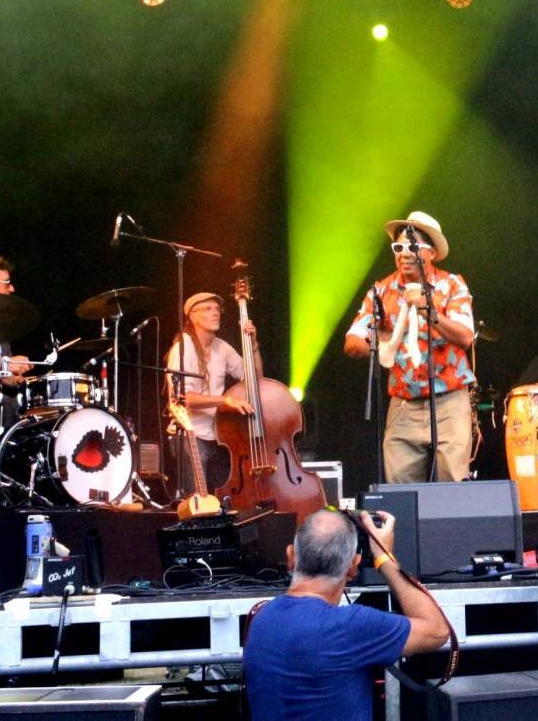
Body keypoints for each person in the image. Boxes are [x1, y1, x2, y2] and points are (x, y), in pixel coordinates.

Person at [244, 508, 450, 721]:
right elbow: (437, 631)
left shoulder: (261, 619)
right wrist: (384, 560)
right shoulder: (350, 626)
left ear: (290, 557)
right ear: (353, 567)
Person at [344, 211, 476, 483]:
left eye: (412, 247)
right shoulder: (382, 291)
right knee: (401, 488)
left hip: (449, 402)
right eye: (398, 248)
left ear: (431, 253)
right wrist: (381, 343)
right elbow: (353, 341)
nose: (404, 254)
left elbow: (465, 337)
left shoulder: (451, 285)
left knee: (453, 485)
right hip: (403, 404)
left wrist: (430, 311)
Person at [165, 292, 256, 494]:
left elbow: (254, 378)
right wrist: (226, 400)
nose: (216, 313)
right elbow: (186, 398)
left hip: (218, 437)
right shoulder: (183, 348)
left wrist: (253, 344)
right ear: (193, 316)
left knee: (226, 497)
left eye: (217, 309)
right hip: (190, 435)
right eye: (208, 309)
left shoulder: (221, 347)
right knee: (199, 500)